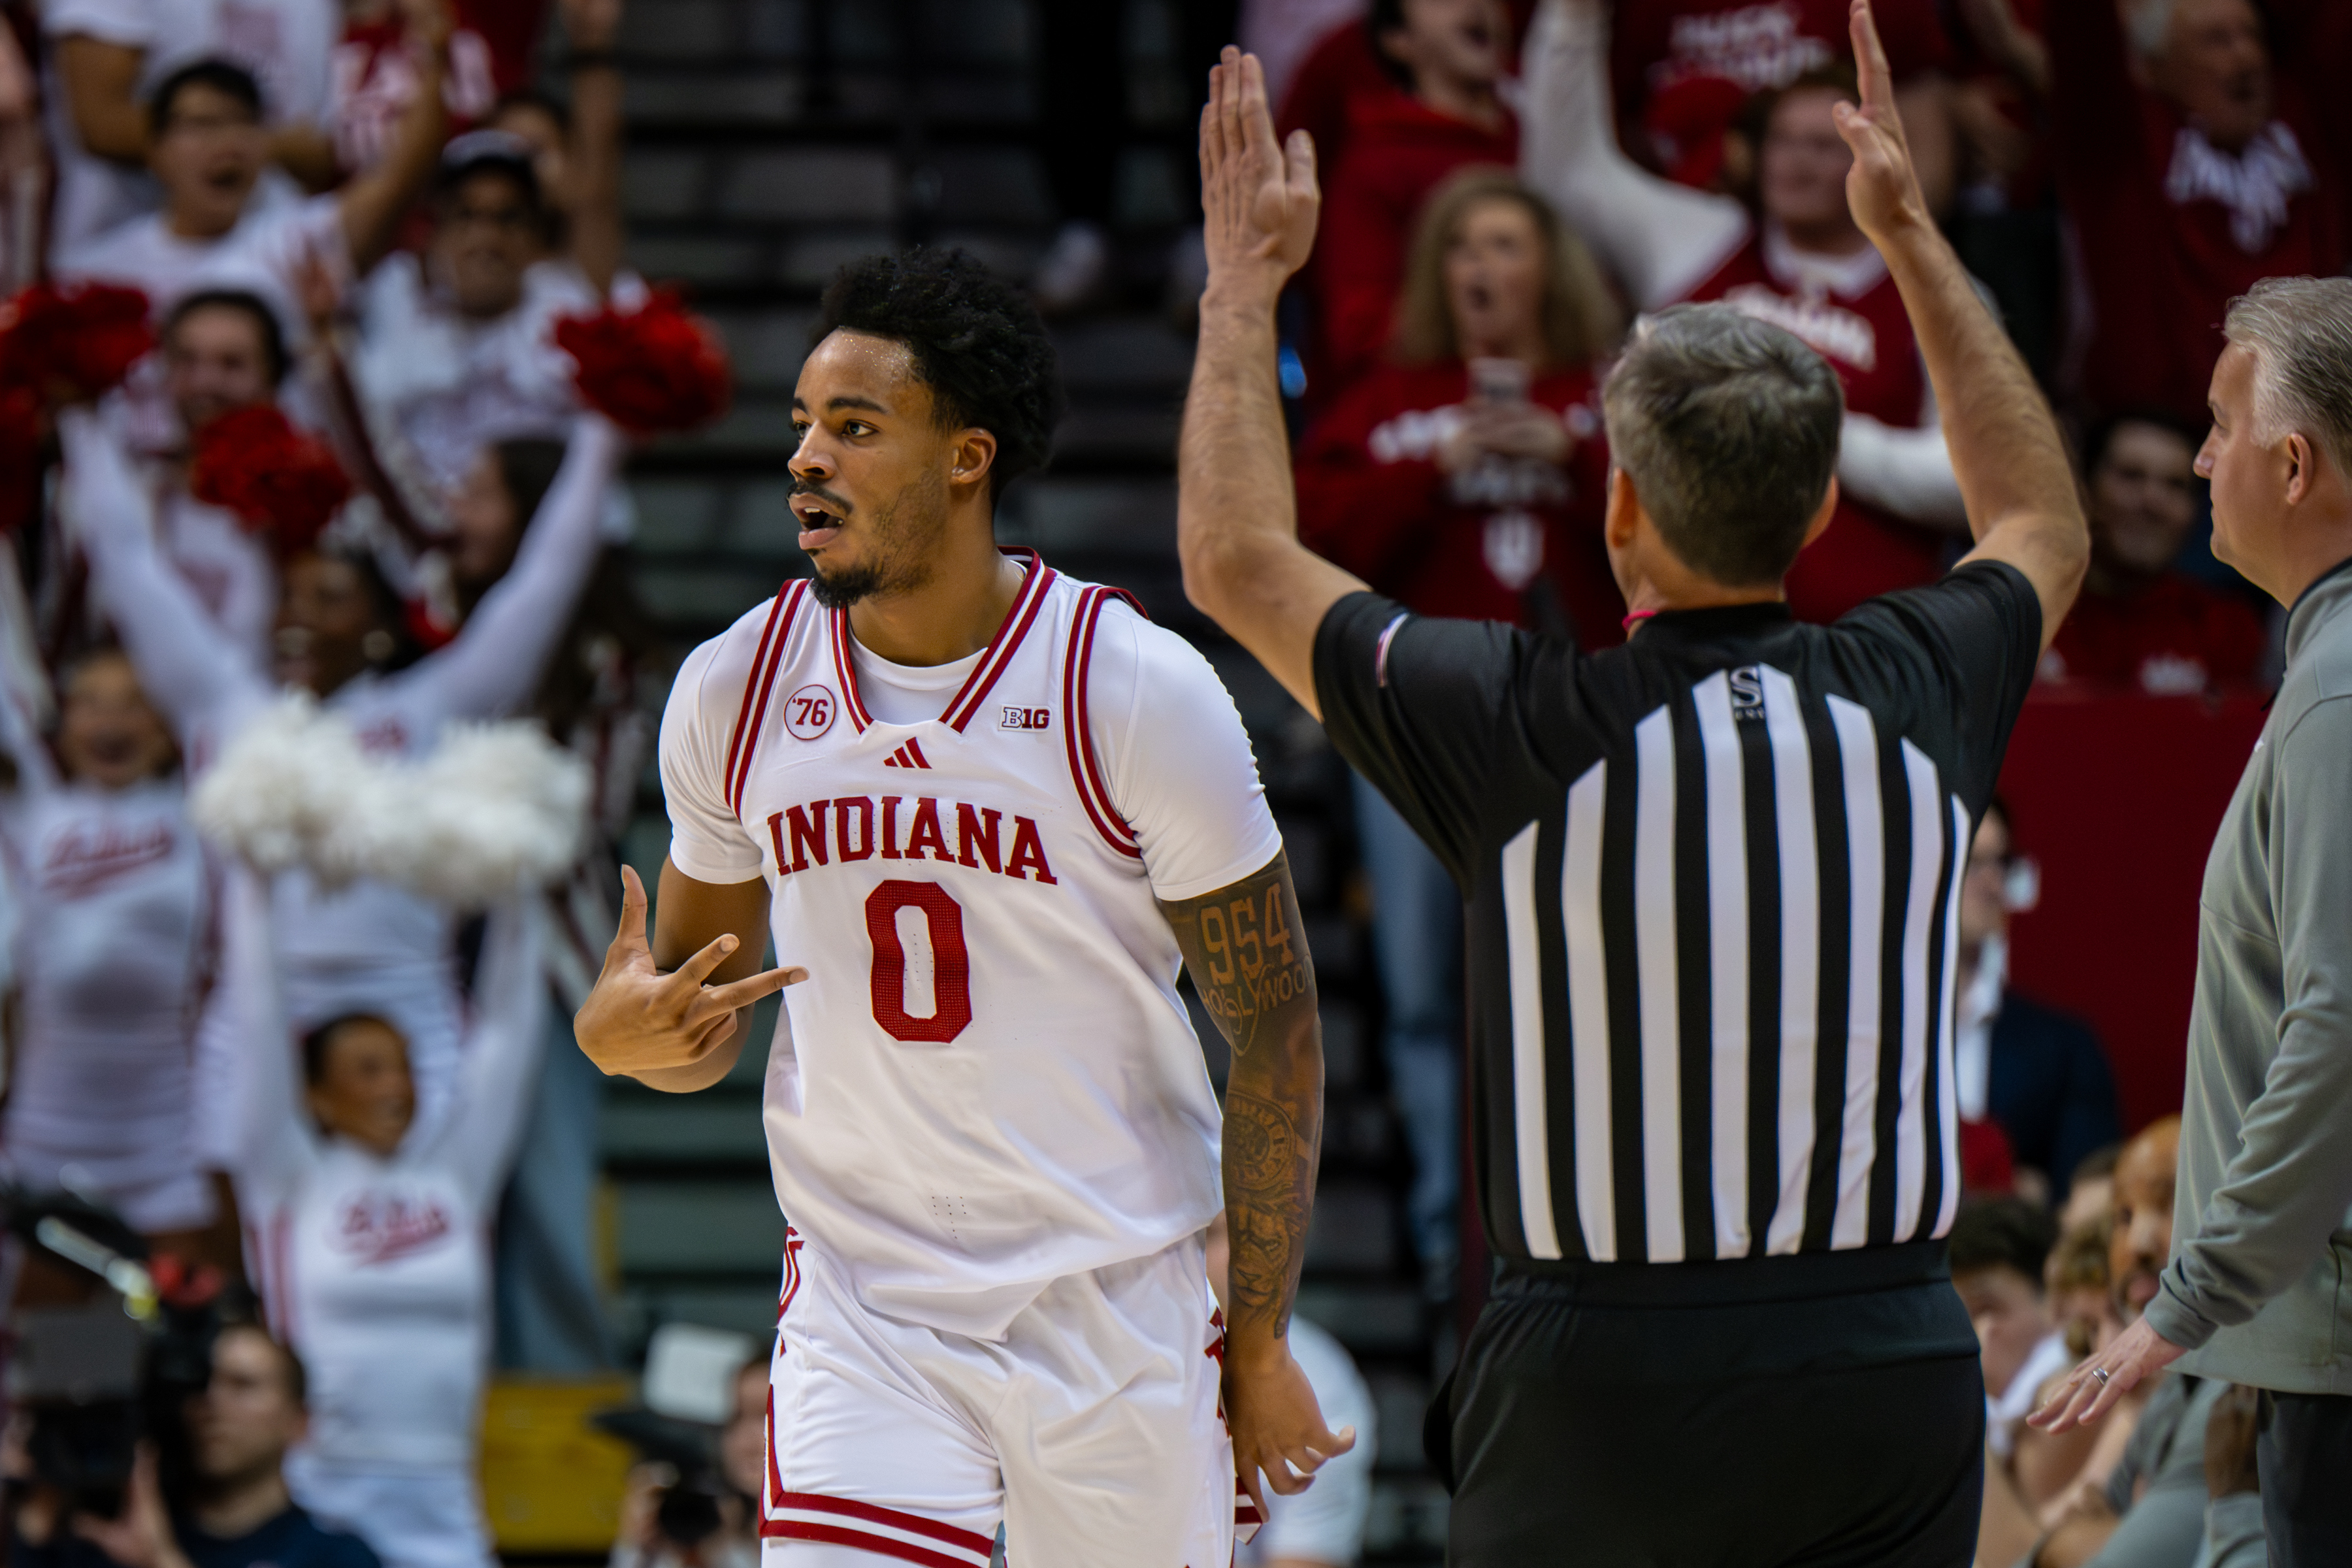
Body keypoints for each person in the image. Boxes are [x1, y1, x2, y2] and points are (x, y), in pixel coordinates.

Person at [1177, 7, 2087, 1555]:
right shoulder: (1916, 686)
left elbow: (1233, 556)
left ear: (1619, 516)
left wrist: (1240, 286)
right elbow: (2038, 520)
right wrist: (1914, 239)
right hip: (1878, 1357)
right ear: (1814, 516)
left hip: (1602, 1366)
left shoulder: (1511, 717)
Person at [574, 247, 1349, 1565]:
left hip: (1115, 1291)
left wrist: (1259, 1334)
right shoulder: (734, 692)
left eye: (856, 429)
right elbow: (685, 998)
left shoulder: (1136, 691)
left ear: (966, 457)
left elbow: (1275, 1026)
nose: (807, 459)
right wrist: (620, 1034)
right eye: (803, 426)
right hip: (869, 1299)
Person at [2031, 275, 2352, 1566]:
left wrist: (2193, 1298)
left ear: (2295, 462)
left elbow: (2340, 1018)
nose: (2202, 458)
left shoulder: (2338, 692)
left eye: (2220, 427)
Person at [58, 402, 619, 1137]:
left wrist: (605, 430)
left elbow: (545, 581)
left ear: (381, 625)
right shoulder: (228, 702)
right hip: (255, 1018)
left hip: (411, 1012)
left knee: (423, 1233)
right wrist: (79, 412)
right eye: (291, 596)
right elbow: (129, 562)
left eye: (329, 599)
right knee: (256, 1243)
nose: (299, 616)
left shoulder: (436, 704)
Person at [1294, 166, 1619, 1292]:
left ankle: (1572, 1227)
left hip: (1583, 740)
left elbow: (1682, 538)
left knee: (1581, 984)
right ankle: (1448, 1243)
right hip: (1411, 739)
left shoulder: (1602, 399)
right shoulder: (1388, 401)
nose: (1484, 270)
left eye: (1507, 246)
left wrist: (1571, 461)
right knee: (1428, 993)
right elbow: (1310, 544)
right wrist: (1432, 468)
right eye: (1463, 249)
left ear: (1550, 267)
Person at [1521, 0, 1974, 622]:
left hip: (1860, 649)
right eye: (1782, 141)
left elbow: (1974, 475)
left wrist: (1795, 423)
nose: (1796, 160)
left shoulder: (1939, 286)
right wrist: (1575, 17)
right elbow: (1566, 174)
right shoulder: (1695, 237)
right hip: (1679, 637)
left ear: (1874, 160)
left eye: (1823, 144)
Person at [221, 870, 546, 1568]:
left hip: (446, 1495)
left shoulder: (458, 1171)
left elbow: (511, 1032)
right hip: (322, 1492)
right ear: (318, 1095)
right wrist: (252, 881)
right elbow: (255, 1017)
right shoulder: (289, 1177)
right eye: (367, 1070)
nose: (395, 1087)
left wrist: (521, 878)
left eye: (402, 1068)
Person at [56, 7, 448, 383]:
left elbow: (399, 181)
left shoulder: (296, 246)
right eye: (202, 125)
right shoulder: (93, 278)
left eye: (242, 124)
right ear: (155, 149)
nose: (226, 144)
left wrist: (435, 57)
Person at [0, 647, 224, 1284]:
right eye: (91, 702)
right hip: (46, 1137)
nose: (112, 720)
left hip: (170, 1140)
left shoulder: (204, 818)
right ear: (63, 724)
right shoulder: (26, 821)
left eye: (133, 703)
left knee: (174, 1333)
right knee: (62, 1354)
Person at [2049, 0, 2352, 429]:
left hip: (2298, 435)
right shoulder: (2123, 148)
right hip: (2158, 443)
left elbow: (2330, 22)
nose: (2247, 57)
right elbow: (2081, 32)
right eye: (2217, 42)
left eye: (2253, 36)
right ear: (2152, 68)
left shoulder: (2307, 122)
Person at [1991, 1119, 2237, 1568]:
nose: (2140, 1244)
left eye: (2174, 1204)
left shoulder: (2237, 1388)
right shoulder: (2172, 1396)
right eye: (2124, 1216)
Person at [10, 1321, 384, 1568]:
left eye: (243, 1385)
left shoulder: (335, 1557)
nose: (214, 1402)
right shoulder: (116, 1539)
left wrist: (162, 1561)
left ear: (299, 1422)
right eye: (200, 1385)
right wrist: (35, 1508)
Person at [1315, 0, 1518, 394]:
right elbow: (1359, 334)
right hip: (1432, 406)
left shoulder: (1542, 142)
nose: (1478, 7)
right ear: (1398, 40)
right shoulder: (1374, 167)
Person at [38, 0, 338, 261]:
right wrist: (273, 146)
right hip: (130, 264)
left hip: (282, 253)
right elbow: (101, 124)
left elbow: (326, 143)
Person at [1607, 0, 1955, 205]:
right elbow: (1619, 142)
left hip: (1843, 230)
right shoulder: (1638, 10)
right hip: (1682, 228)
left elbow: (1924, 144)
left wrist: (1868, 253)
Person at [1953, 799, 2121, 1205]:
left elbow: (2087, 1201)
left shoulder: (2064, 1049)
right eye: (1973, 863)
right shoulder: (1872, 1036)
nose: (1994, 884)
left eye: (2001, 863)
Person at [2036, 414, 2268, 694]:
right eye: (2131, 475)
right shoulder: (2026, 614)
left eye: (2176, 485)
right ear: (2083, 491)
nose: (2153, 502)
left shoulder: (2227, 628)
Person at [1949, 1197, 2081, 1502]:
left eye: (1986, 1309)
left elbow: (2018, 1549)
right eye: (1958, 1317)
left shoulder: (2064, 1394)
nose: (1971, 1336)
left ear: (2054, 1300)